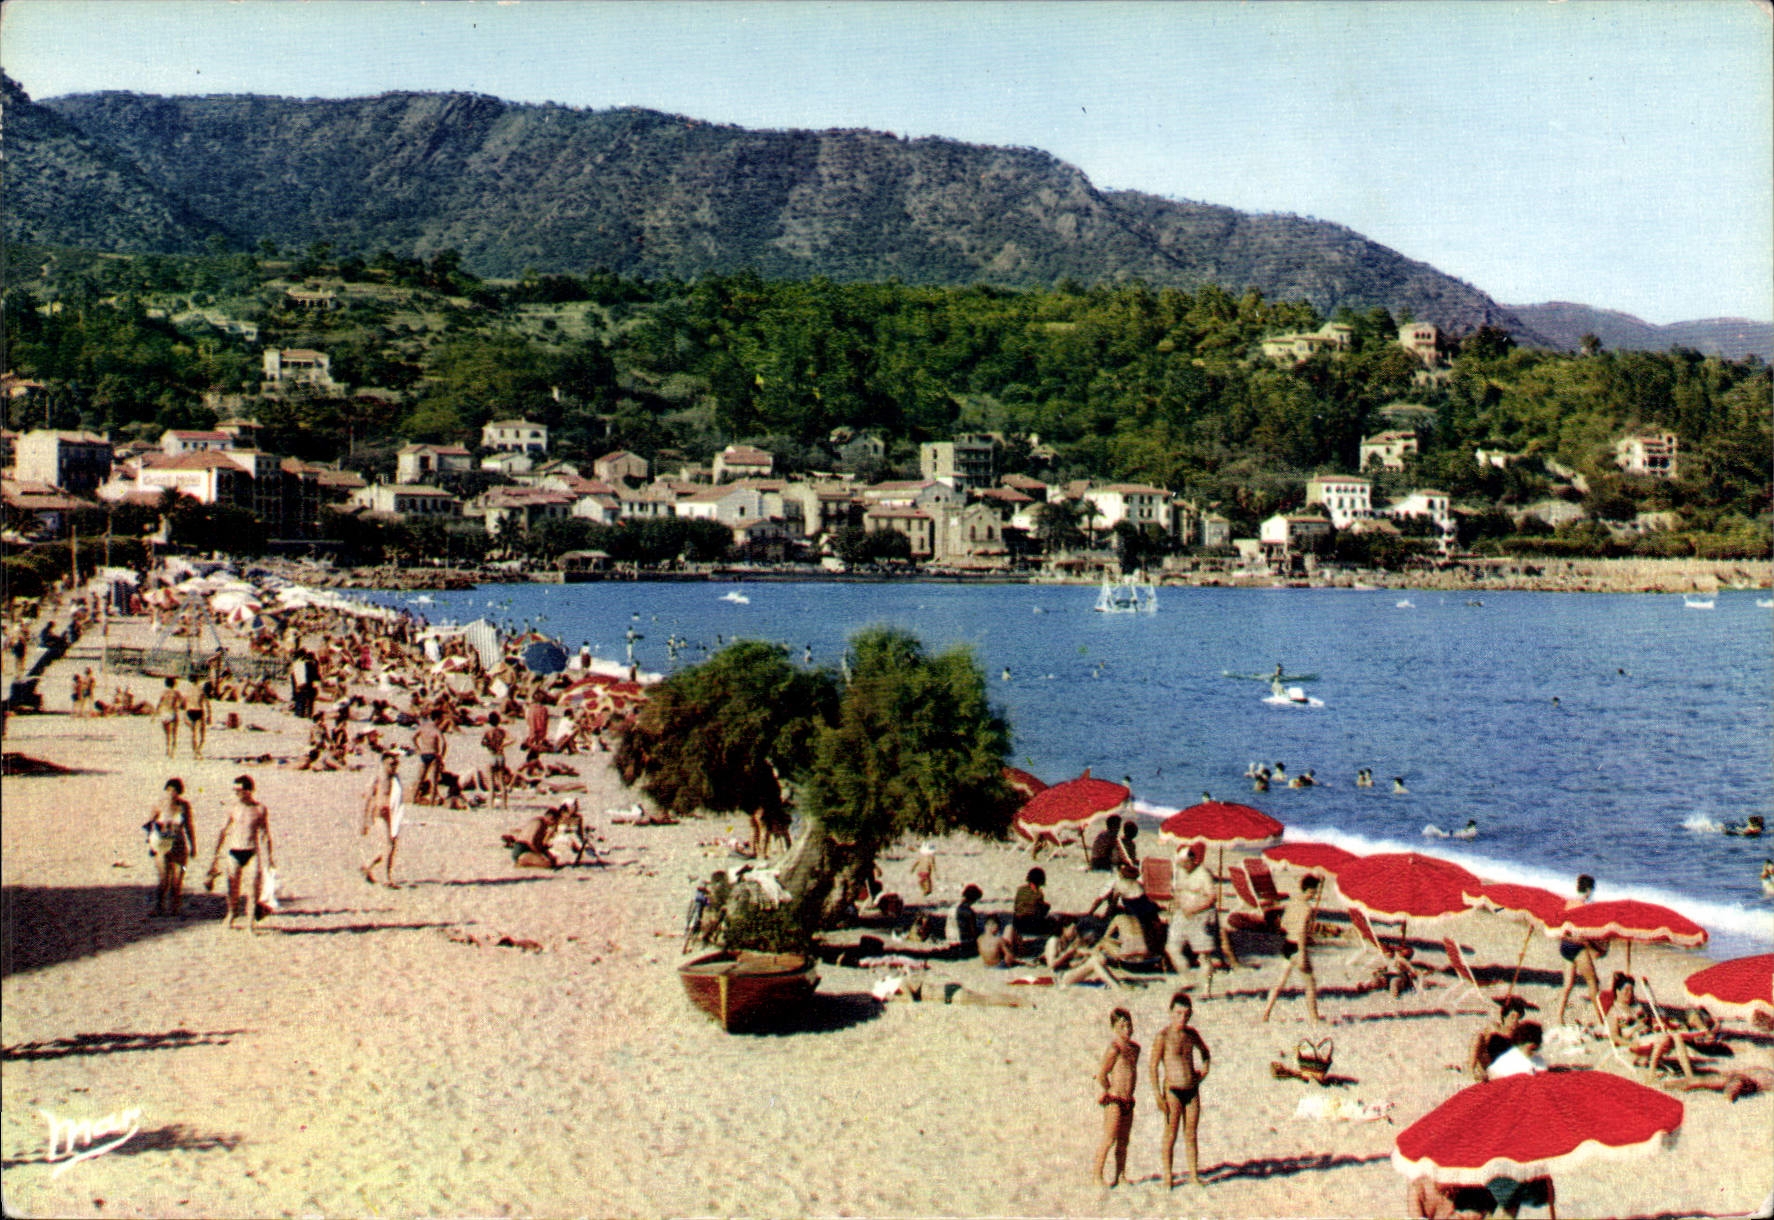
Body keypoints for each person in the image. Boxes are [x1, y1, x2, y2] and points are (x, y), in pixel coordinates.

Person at [1150, 989, 1212, 1189]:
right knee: (1171, 1133)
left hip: (1192, 1089)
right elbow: (1153, 1066)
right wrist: (1158, 1095)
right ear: (1170, 1012)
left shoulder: (1191, 1034)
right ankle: (1168, 1176)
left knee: (1191, 1134)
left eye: (1186, 1014)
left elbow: (1205, 1052)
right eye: (1178, 1013)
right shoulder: (1163, 1037)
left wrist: (1204, 1070)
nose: (1182, 1018)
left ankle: (1193, 1175)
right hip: (1173, 1090)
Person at [205, 775, 275, 934]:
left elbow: (264, 834)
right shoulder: (232, 808)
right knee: (233, 887)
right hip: (234, 851)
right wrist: (215, 855)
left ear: (249, 791)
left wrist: (269, 858)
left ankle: (250, 923)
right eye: (234, 790)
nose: (236, 793)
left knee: (252, 888)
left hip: (251, 851)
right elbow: (222, 831)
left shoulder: (260, 809)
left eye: (239, 790)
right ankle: (232, 913)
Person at [1262, 874, 1322, 1023]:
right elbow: (1301, 932)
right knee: (1310, 983)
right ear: (1309, 890)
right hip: (1297, 946)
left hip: (1287, 944)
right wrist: (1303, 953)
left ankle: (1266, 1013)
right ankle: (1314, 1019)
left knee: (1279, 982)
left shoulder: (1292, 902)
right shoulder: (1307, 909)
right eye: (1313, 892)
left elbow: (1283, 924)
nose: (1314, 895)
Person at [1093, 1007, 1140, 1188]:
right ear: (1114, 1028)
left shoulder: (1135, 1049)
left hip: (1128, 1098)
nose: (1126, 1030)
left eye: (1128, 1025)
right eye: (1121, 1026)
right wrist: (1110, 1090)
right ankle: (1097, 1175)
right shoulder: (1114, 1048)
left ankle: (1120, 1175)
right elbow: (1102, 1074)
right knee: (1109, 1137)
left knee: (1123, 1141)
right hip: (1115, 1098)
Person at [1554, 874, 1605, 1025]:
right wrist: (1593, 948)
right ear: (1588, 890)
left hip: (1565, 946)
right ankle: (1602, 1019)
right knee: (1592, 981)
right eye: (1592, 890)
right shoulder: (1585, 907)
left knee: (1568, 984)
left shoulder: (1569, 903)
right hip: (1576, 947)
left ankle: (1559, 1016)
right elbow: (1583, 934)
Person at [1165, 843, 1218, 980]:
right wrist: (1176, 903)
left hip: (1201, 916)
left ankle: (1206, 990)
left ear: (1193, 860)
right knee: (1172, 948)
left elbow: (1212, 897)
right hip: (1182, 914)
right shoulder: (1179, 872)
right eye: (1181, 863)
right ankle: (1187, 977)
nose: (1183, 865)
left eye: (1186, 863)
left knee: (1204, 956)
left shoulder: (1203, 874)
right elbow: (1177, 891)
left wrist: (1194, 909)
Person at [145, 777, 196, 918]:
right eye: (169, 790)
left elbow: (189, 826)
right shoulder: (159, 805)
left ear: (179, 792)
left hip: (179, 844)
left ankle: (175, 908)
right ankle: (159, 907)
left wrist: (193, 845)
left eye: (174, 791)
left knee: (178, 881)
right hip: (162, 844)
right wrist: (150, 842)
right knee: (164, 880)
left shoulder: (184, 806)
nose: (171, 793)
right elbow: (149, 824)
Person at [361, 752, 404, 887]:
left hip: (391, 814)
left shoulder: (394, 778)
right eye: (391, 764)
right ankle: (386, 878)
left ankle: (368, 867)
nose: (394, 767)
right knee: (388, 845)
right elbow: (368, 799)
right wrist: (365, 821)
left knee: (391, 846)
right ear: (384, 763)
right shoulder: (378, 778)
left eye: (396, 764)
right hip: (379, 814)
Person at [1469, 997, 1530, 1081]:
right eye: (1512, 1017)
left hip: (1503, 1069)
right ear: (1504, 1017)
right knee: (1477, 1037)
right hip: (1488, 1063)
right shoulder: (1494, 1028)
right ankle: (1470, 1070)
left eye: (1517, 1018)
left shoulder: (1519, 1034)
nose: (1514, 1021)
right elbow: (1481, 1045)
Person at [412, 710, 444, 805]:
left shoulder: (423, 727)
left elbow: (413, 738)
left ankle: (414, 798)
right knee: (434, 781)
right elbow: (443, 743)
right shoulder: (435, 729)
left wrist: (418, 749)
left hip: (424, 753)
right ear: (437, 719)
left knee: (420, 779)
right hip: (433, 754)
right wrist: (441, 756)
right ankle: (431, 802)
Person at [480, 711, 511, 807]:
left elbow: (483, 743)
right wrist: (503, 745)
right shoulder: (501, 731)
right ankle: (504, 805)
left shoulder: (488, 731)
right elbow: (513, 738)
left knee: (491, 783)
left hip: (491, 756)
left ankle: (490, 805)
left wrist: (490, 745)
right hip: (500, 756)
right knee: (502, 782)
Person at [1012, 867, 1051, 941]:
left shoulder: (1021, 890)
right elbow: (1039, 911)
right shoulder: (1038, 894)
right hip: (1031, 924)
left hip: (1018, 923)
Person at [154, 676, 184, 758]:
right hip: (172, 712)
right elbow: (182, 703)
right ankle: (172, 751)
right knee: (174, 733)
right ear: (174, 683)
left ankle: (167, 749)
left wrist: (154, 715)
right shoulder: (176, 693)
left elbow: (159, 703)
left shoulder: (163, 692)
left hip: (164, 713)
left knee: (167, 734)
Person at [182, 675, 210, 759]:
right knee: (202, 735)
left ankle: (195, 752)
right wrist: (209, 715)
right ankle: (198, 751)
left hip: (190, 711)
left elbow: (185, 703)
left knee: (193, 734)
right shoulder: (200, 689)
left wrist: (184, 715)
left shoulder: (188, 690)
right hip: (198, 711)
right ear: (198, 680)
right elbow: (206, 703)